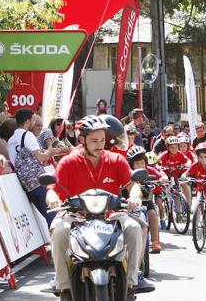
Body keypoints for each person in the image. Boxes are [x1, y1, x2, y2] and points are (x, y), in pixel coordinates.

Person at [44, 115, 153, 300]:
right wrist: (53, 199)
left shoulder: (116, 159)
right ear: (82, 139)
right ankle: (63, 286)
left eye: (102, 140)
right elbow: (52, 190)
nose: (99, 145)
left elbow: (131, 184)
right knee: (59, 230)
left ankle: (132, 283)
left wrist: (135, 195)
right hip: (77, 214)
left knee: (136, 227)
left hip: (112, 213)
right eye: (94, 140)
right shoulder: (68, 162)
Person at [8, 109, 56, 224]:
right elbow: (41, 157)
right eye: (33, 120)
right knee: (52, 214)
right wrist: (50, 151)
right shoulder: (28, 135)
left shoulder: (10, 140)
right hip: (38, 181)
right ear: (27, 121)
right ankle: (58, 240)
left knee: (47, 214)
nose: (34, 123)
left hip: (25, 183)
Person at [127, 146, 168, 253]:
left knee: (152, 214)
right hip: (130, 202)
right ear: (131, 164)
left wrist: (163, 178)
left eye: (142, 163)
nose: (140, 166)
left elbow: (160, 174)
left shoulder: (149, 170)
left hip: (146, 200)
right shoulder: (127, 172)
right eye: (137, 163)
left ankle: (155, 242)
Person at [157, 136, 193, 227]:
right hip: (165, 177)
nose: (174, 149)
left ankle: (179, 213)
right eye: (172, 147)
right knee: (164, 193)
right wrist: (159, 167)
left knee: (177, 193)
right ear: (168, 148)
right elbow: (157, 162)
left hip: (175, 176)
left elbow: (188, 161)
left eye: (176, 147)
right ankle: (164, 211)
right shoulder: (165, 155)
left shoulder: (180, 154)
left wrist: (187, 164)